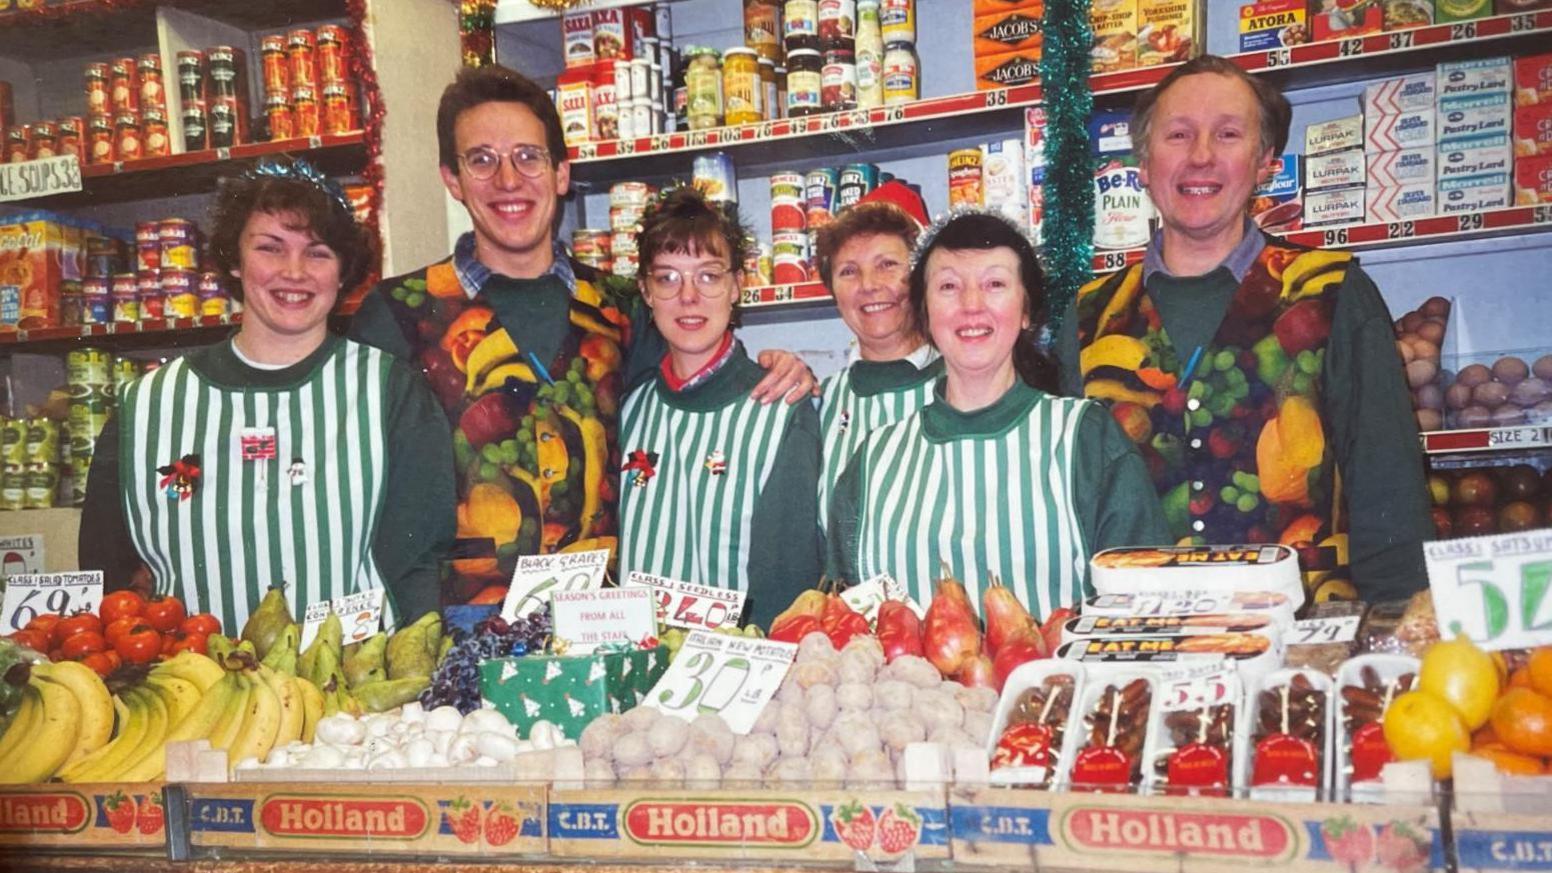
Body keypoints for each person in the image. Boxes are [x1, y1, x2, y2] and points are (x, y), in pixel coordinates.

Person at [348, 64, 816, 605]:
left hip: (604, 641)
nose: (508, 180)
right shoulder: (398, 315)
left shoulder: (621, 308)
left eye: (528, 157)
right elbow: (375, 504)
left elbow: (698, 363)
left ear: (562, 174)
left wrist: (782, 368)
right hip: (462, 643)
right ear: (452, 179)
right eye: (482, 160)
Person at [1055, 54, 1432, 603]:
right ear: (1143, 162)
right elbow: (1069, 504)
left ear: (1265, 162)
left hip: (1305, 645)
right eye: (1178, 134)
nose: (1201, 156)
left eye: (1228, 134)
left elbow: (1388, 482)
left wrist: (1401, 632)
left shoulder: (1331, 291)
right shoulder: (1091, 316)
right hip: (1141, 646)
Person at [80, 157, 457, 632]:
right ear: (234, 261)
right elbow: (107, 576)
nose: (294, 271)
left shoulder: (389, 391)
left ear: (343, 272)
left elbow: (418, 564)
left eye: (318, 253)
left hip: (353, 691)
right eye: (270, 248)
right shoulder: (148, 405)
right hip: (194, 690)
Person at [828, 210, 1168, 618]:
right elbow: (846, 619)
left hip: (1060, 682)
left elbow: (1146, 603)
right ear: (926, 312)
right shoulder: (874, 460)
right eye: (949, 286)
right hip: (905, 683)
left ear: (1026, 311)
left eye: (995, 284)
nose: (972, 305)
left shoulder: (1085, 438)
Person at [617, 189, 821, 628]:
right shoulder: (628, 410)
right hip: (633, 677)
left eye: (708, 276)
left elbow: (787, 592)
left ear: (737, 286)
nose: (688, 296)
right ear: (645, 292)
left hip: (742, 677)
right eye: (667, 278)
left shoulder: (781, 409)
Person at [812, 183, 943, 528]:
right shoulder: (816, 404)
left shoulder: (967, 386)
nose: (868, 285)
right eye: (849, 271)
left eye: (887, 264)